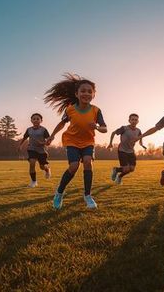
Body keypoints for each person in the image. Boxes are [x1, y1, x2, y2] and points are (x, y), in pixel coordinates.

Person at [44, 73, 107, 210]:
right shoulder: (70, 109)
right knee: (73, 167)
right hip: (71, 140)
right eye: (83, 91)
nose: (86, 93)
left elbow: (104, 129)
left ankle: (88, 196)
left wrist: (96, 127)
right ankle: (59, 193)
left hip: (88, 142)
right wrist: (52, 135)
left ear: (94, 95)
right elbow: (62, 124)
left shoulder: (96, 110)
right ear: (77, 94)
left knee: (88, 163)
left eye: (90, 91)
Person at [107, 113, 146, 185]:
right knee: (126, 169)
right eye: (132, 119)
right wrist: (110, 143)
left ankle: (119, 174)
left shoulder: (138, 131)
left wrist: (142, 145)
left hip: (131, 151)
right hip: (122, 150)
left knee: (132, 169)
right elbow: (113, 133)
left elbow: (140, 139)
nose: (134, 121)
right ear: (129, 120)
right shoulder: (124, 128)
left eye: (136, 120)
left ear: (138, 121)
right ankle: (116, 170)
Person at [18, 113, 51, 187]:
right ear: (31, 120)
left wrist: (43, 143)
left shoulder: (44, 130)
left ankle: (47, 169)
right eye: (34, 119)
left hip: (42, 150)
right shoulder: (29, 130)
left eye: (37, 119)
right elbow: (24, 138)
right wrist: (20, 145)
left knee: (42, 167)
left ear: (41, 120)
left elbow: (49, 141)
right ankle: (33, 182)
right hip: (31, 149)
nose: (36, 120)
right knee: (32, 163)